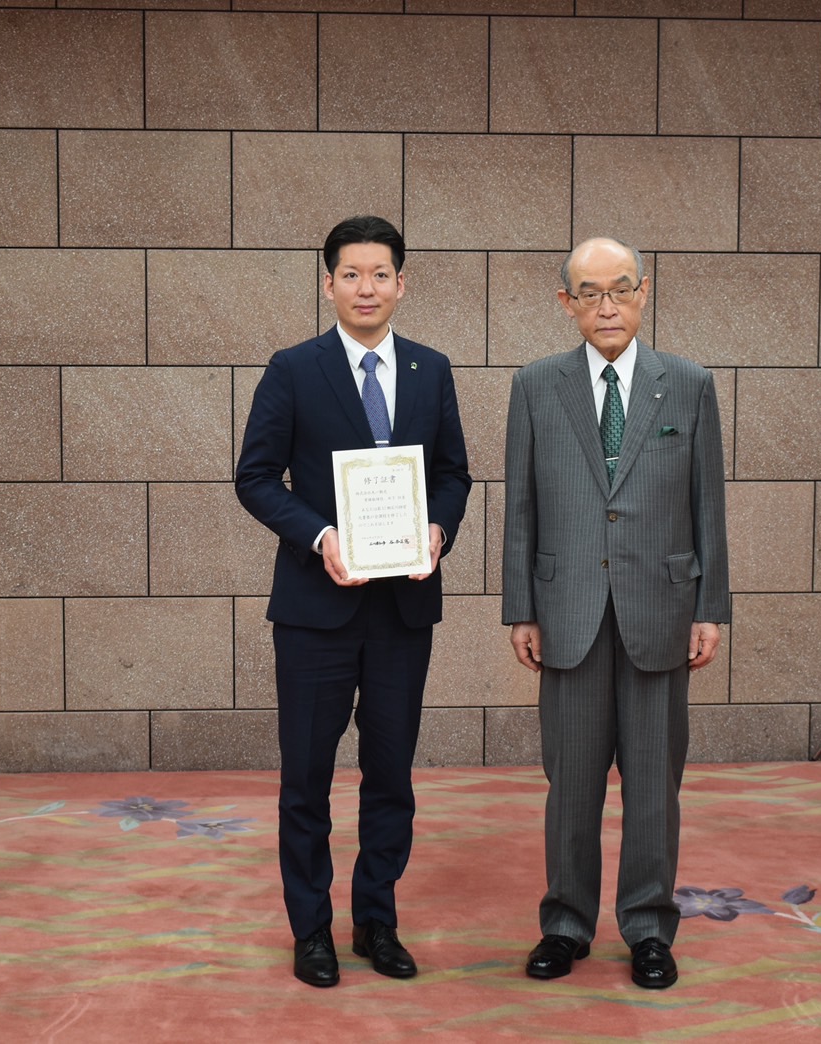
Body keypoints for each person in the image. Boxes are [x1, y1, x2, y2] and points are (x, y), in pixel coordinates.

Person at [235, 215, 471, 988]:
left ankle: (376, 918)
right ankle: (312, 930)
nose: (366, 287)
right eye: (351, 274)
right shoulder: (293, 369)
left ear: (402, 283)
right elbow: (258, 477)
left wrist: (438, 526)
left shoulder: (432, 370)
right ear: (327, 282)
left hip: (403, 608)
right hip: (316, 610)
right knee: (306, 776)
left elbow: (454, 474)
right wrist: (320, 537)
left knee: (391, 774)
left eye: (380, 274)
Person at [501, 236, 730, 990]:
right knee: (570, 783)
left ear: (644, 292)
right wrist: (520, 608)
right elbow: (522, 507)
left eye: (621, 289)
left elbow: (707, 506)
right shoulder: (536, 387)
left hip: (661, 611)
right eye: (589, 292)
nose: (607, 306)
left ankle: (648, 928)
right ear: (565, 302)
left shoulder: (688, 386)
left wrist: (710, 607)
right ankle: (565, 924)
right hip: (565, 611)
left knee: (655, 784)